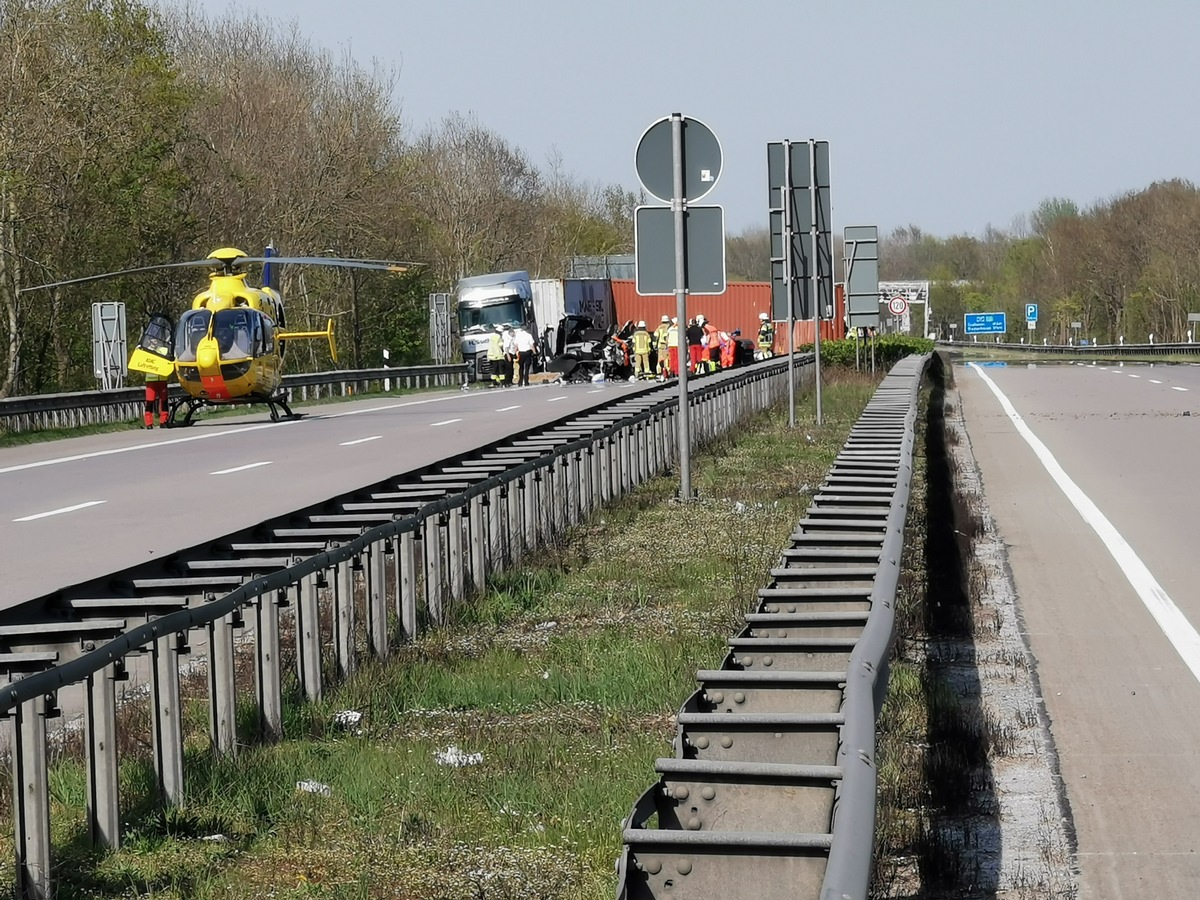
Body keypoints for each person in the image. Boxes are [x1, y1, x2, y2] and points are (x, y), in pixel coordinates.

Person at [653, 315, 671, 379]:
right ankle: (667, 372)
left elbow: (655, 336)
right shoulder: (669, 327)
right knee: (667, 360)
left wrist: (654, 345)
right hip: (667, 346)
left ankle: (659, 372)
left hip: (660, 346)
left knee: (660, 360)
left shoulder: (659, 327)